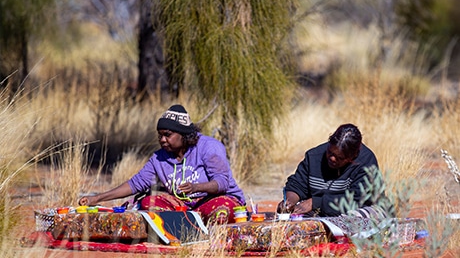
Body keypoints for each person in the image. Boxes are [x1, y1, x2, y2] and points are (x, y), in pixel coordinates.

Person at [79, 104, 246, 224]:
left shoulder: (209, 147)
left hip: (216, 200)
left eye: (167, 134)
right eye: (160, 135)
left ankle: (186, 224)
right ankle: (187, 225)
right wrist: (98, 198)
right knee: (148, 203)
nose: (162, 140)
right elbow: (136, 184)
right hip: (185, 208)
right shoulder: (159, 158)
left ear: (184, 135)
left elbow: (222, 183)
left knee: (221, 211)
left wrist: (196, 187)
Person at [277, 123, 384, 217]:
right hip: (321, 213)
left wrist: (316, 202)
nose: (332, 158)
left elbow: (359, 200)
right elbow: (297, 184)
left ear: (353, 157)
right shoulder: (314, 156)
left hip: (353, 211)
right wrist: (290, 201)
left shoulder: (366, 161)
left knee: (357, 218)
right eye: (330, 153)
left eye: (340, 158)